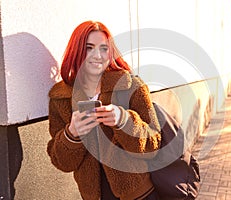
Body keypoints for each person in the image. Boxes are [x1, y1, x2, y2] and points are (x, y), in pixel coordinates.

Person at [47, 20, 162, 200]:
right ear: (76, 50)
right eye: (89, 48)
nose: (97, 55)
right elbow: (61, 162)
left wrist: (124, 121)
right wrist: (71, 134)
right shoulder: (60, 97)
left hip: (138, 194)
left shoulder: (131, 86)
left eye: (103, 48)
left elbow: (153, 144)